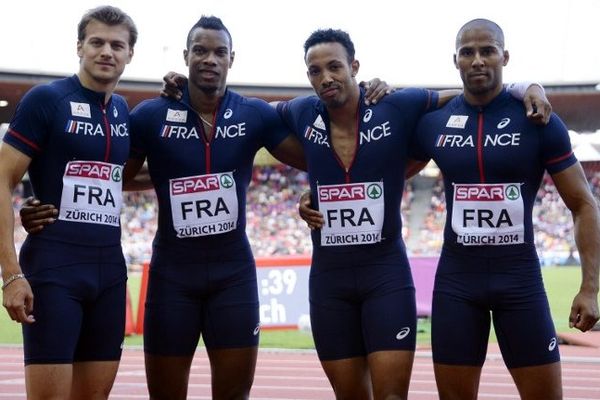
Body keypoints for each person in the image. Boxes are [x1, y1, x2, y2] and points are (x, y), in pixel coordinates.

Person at [284, 28, 553, 399]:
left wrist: (525, 87)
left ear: (354, 67)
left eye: (334, 66)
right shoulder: (299, 111)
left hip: (386, 277)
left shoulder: (396, 104)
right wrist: (183, 90)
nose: (326, 77)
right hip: (330, 282)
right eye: (315, 71)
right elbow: (240, 113)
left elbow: (469, 94)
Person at [408, 19, 600, 399]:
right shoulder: (433, 123)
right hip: (457, 286)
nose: (478, 60)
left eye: (487, 50)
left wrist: (590, 287)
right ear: (456, 61)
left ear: (504, 56)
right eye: (468, 52)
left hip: (520, 283)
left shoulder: (539, 120)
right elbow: (379, 174)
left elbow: (583, 204)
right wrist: (316, 191)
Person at [0, 5, 137, 400]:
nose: (106, 51)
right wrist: (11, 273)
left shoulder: (123, 111)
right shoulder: (47, 100)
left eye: (117, 45)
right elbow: (3, 176)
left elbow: (123, 177)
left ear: (130, 55)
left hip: (110, 271)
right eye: (96, 42)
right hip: (55, 269)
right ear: (79, 46)